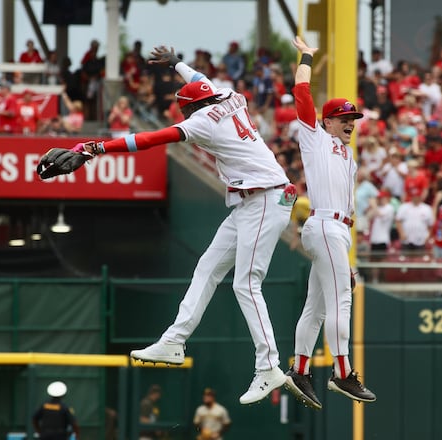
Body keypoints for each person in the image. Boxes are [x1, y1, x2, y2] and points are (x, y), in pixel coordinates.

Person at [42, 44, 294, 405]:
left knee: (246, 283)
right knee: (207, 268)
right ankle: (174, 341)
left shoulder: (200, 122)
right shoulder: (230, 95)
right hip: (252, 200)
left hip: (266, 198)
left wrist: (94, 148)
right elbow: (198, 80)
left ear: (188, 108)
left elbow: (149, 139)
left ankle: (269, 366)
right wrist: (176, 63)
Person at [282, 35, 376, 411]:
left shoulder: (348, 156)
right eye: (345, 118)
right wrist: (306, 54)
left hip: (337, 231)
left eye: (353, 118)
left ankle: (300, 369)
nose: (351, 123)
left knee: (317, 307)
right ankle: (342, 372)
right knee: (341, 301)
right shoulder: (315, 138)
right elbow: (300, 88)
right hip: (324, 225)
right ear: (329, 121)